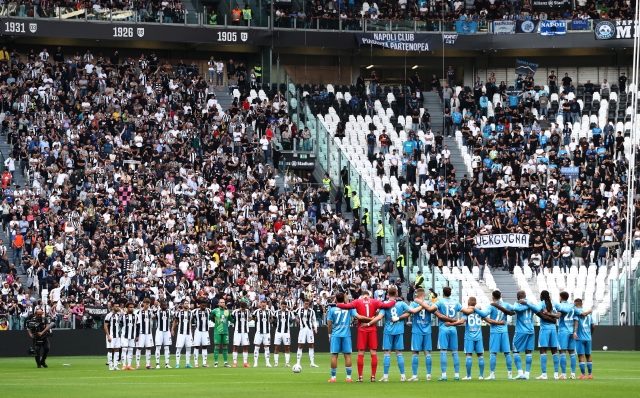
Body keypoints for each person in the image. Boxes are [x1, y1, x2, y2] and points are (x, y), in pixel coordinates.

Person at [336, 290, 395, 382]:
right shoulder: (374, 301)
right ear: (369, 295)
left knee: (361, 353)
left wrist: (337, 304)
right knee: (373, 353)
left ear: (362, 296)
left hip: (362, 329)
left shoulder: (358, 301)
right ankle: (373, 377)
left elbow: (346, 306)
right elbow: (387, 306)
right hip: (372, 329)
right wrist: (394, 301)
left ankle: (360, 377)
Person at [407, 288, 447, 381]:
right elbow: (437, 313)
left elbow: (408, 313)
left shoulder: (413, 303)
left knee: (415, 353)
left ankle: (415, 376)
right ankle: (428, 375)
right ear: (424, 295)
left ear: (417, 295)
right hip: (427, 330)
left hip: (417, 330)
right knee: (427, 353)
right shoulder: (429, 304)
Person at [327, 292, 360, 383]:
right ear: (344, 299)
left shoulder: (332, 309)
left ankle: (333, 378)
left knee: (334, 355)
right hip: (346, 334)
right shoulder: (349, 308)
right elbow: (357, 316)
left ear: (336, 299)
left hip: (335, 335)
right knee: (347, 356)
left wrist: (329, 334)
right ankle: (348, 377)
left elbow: (329, 324)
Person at [483, 290, 514, 380]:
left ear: (493, 297)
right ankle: (510, 375)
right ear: (500, 296)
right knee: (507, 353)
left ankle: (492, 375)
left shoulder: (491, 306)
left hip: (494, 331)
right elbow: (514, 310)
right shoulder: (506, 304)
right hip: (504, 331)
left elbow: (485, 314)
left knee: (493, 353)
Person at [435, 286, 463, 381]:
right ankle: (457, 375)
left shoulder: (440, 302)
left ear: (443, 293)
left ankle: (444, 375)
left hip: (444, 327)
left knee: (443, 352)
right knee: (455, 353)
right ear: (450, 293)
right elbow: (464, 311)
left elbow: (433, 309)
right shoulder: (456, 302)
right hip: (453, 328)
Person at [533, 290, 560, 380]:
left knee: (543, 351)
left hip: (544, 329)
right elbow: (560, 312)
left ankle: (544, 374)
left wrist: (532, 304)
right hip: (553, 329)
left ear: (541, 296)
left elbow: (536, 309)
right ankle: (556, 374)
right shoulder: (554, 303)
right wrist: (553, 316)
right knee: (554, 351)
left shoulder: (541, 304)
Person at [459, 297, 488, 380]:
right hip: (479, 337)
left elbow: (462, 321)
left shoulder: (466, 312)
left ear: (468, 303)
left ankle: (468, 376)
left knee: (468, 355)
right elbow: (485, 316)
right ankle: (481, 376)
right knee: (480, 356)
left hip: (469, 337)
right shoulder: (479, 312)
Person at [554, 291, 577, 379]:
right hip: (572, 331)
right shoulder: (573, 307)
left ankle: (563, 374)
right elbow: (579, 313)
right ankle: (573, 374)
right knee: (572, 352)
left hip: (563, 331)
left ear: (560, 297)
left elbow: (562, 312)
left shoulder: (560, 306)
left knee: (562, 352)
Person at [573, 298, 594, 379]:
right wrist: (590, 334)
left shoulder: (577, 313)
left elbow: (576, 322)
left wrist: (575, 332)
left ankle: (583, 375)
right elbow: (593, 325)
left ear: (575, 304)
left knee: (581, 355)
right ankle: (590, 374)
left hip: (580, 338)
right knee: (588, 355)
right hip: (588, 337)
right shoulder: (589, 314)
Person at [295, 299, 319, 368]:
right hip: (302, 330)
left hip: (310, 330)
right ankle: (298, 362)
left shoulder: (312, 311)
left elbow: (314, 320)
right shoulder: (299, 310)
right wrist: (296, 320)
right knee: (300, 345)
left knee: (311, 345)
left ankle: (312, 362)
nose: (306, 305)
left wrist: (315, 327)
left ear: (309, 304)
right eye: (305, 303)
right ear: (303, 303)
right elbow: (294, 316)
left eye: (307, 304)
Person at [209, 298, 232, 367]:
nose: (222, 303)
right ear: (218, 303)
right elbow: (210, 317)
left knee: (225, 346)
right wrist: (215, 322)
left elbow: (231, 319)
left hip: (225, 331)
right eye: (221, 302)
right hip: (217, 331)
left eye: (223, 302)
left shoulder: (227, 311)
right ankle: (216, 362)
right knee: (217, 346)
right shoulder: (215, 311)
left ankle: (225, 362)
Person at [172, 300, 194, 369]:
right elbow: (175, 321)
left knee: (189, 348)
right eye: (185, 303)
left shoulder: (191, 313)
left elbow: (190, 322)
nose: (187, 305)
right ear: (182, 304)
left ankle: (187, 363)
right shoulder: (178, 313)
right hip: (181, 333)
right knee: (179, 348)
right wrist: (172, 329)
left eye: (188, 303)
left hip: (188, 333)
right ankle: (177, 363)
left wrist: (191, 332)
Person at [252, 300, 273, 367]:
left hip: (267, 333)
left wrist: (270, 321)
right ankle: (255, 363)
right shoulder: (256, 311)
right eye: (262, 305)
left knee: (267, 348)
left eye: (264, 305)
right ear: (260, 304)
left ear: (266, 305)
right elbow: (253, 318)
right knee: (257, 347)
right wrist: (253, 319)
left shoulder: (269, 311)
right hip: (258, 332)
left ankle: (267, 363)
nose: (263, 306)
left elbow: (273, 319)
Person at [273, 301, 294, 367]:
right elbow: (272, 320)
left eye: (285, 306)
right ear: (280, 306)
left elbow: (294, 319)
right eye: (282, 306)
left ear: (286, 306)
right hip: (278, 332)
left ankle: (287, 363)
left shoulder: (289, 313)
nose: (284, 307)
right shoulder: (276, 312)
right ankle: (276, 363)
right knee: (277, 347)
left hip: (286, 332)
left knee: (287, 347)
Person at [153, 300, 173, 369]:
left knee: (167, 347)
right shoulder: (157, 311)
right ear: (160, 305)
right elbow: (152, 316)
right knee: (158, 347)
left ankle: (167, 363)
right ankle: (157, 363)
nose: (165, 306)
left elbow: (176, 316)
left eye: (166, 305)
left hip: (167, 332)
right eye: (164, 305)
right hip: (159, 331)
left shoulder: (169, 311)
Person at [136, 298, 155, 370]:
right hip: (141, 333)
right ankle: (138, 364)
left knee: (148, 347)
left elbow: (153, 318)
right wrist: (136, 334)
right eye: (146, 304)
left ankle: (147, 364)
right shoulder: (138, 312)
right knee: (139, 347)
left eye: (148, 304)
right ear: (143, 304)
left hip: (149, 333)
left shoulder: (150, 311)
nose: (147, 305)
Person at [231, 301, 251, 367]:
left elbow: (250, 318)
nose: (243, 310)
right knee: (235, 346)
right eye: (242, 308)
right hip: (237, 331)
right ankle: (235, 362)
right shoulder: (235, 311)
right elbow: (231, 318)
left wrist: (249, 320)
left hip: (245, 332)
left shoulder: (247, 311)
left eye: (244, 308)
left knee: (245, 346)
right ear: (240, 307)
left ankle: (245, 362)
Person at [192, 300, 212, 368]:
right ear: (200, 305)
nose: (204, 307)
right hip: (198, 331)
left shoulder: (209, 311)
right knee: (196, 346)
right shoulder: (195, 311)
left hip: (206, 331)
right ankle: (196, 363)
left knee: (205, 346)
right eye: (203, 305)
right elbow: (190, 319)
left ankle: (204, 363)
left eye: (205, 305)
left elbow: (213, 317)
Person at [120, 302, 139, 370]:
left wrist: (137, 336)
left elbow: (138, 326)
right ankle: (124, 365)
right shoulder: (123, 315)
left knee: (131, 350)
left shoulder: (136, 316)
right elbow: (120, 324)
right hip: (124, 335)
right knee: (124, 349)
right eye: (130, 307)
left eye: (133, 307)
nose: (132, 308)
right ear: (127, 308)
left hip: (132, 335)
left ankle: (129, 365)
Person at [104, 303, 122, 371]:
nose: (117, 307)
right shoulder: (109, 315)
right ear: (112, 307)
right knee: (110, 349)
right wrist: (108, 336)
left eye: (118, 306)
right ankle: (110, 365)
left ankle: (115, 365)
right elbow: (105, 326)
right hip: (111, 335)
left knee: (117, 349)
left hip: (117, 335)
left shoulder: (118, 315)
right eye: (116, 306)